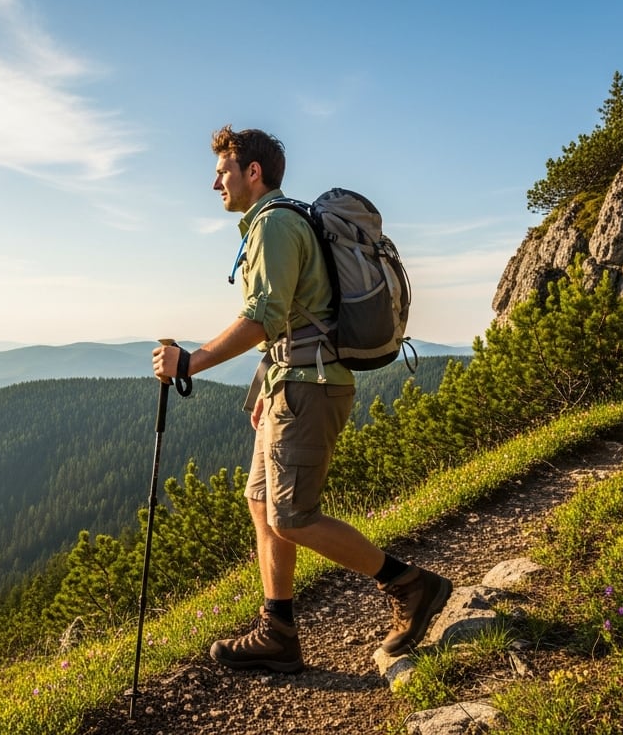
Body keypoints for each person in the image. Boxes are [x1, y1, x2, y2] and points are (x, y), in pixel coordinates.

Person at [151, 125, 452, 672]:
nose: (214, 181)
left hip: (310, 388)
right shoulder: (278, 223)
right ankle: (278, 631)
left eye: (222, 171)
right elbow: (293, 318)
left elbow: (263, 318)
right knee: (262, 504)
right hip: (291, 382)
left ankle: (409, 585)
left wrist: (189, 362)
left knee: (291, 516)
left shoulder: (275, 226)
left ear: (253, 172)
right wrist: (268, 380)